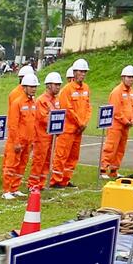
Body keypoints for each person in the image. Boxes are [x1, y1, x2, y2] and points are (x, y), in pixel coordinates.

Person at [1, 68, 41, 199]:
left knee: (22, 165)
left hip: (28, 140)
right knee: (11, 165)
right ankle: (6, 190)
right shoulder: (17, 103)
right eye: (31, 87)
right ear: (24, 87)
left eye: (35, 87)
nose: (34, 89)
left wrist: (33, 139)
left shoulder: (33, 103)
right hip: (17, 141)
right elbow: (13, 124)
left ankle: (15, 187)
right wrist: (16, 141)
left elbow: (33, 122)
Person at [52, 58, 91, 188]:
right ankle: (56, 180)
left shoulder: (86, 88)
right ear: (74, 73)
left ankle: (65, 179)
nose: (83, 74)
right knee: (62, 155)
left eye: (85, 72)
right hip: (68, 129)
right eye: (80, 71)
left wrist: (84, 122)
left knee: (73, 157)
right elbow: (67, 109)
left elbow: (88, 107)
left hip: (79, 130)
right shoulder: (67, 90)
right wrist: (80, 123)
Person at [101, 65, 133, 177]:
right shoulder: (117, 92)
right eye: (129, 77)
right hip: (116, 125)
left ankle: (114, 170)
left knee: (121, 148)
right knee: (111, 147)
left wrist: (132, 119)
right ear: (123, 78)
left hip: (126, 125)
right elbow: (115, 110)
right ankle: (103, 169)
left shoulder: (131, 92)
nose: (131, 79)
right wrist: (125, 120)